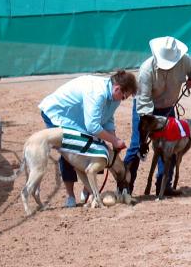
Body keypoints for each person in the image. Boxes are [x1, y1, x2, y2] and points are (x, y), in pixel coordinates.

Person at [39, 70, 137, 207]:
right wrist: (114, 141)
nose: (123, 100)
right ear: (117, 88)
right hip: (58, 115)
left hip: (78, 120)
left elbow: (108, 119)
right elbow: (92, 127)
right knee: (71, 152)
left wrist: (113, 139)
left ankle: (89, 192)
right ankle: (70, 196)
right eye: (124, 97)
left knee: (99, 149)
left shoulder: (115, 96)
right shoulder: (97, 93)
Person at [124, 36, 191, 196]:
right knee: (137, 146)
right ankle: (125, 187)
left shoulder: (184, 60)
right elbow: (144, 101)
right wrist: (147, 130)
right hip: (146, 111)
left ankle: (164, 185)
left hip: (168, 107)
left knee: (171, 145)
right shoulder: (147, 69)